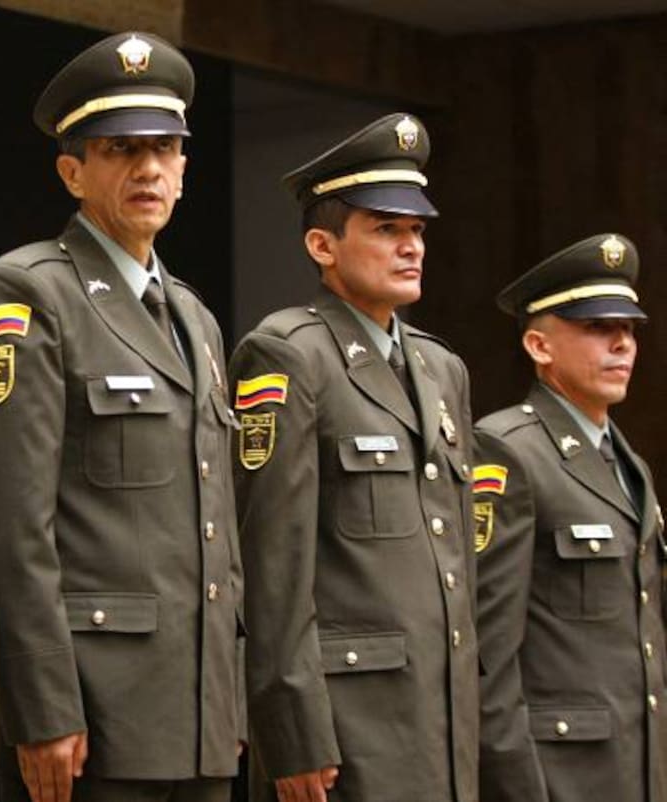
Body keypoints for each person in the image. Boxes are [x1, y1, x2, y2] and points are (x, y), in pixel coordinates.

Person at [0, 31, 244, 802]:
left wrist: (231, 696)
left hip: (200, 717)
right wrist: (41, 707)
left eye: (165, 148)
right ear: (73, 172)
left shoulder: (194, 317)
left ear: (184, 168)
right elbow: (12, 523)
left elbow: (217, 527)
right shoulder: (26, 292)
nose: (149, 168)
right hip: (93, 717)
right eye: (121, 149)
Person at [230, 114, 478, 801]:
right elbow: (273, 565)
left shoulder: (441, 368)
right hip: (346, 729)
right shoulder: (288, 354)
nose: (411, 246)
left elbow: (457, 566)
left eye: (417, 230)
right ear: (323, 245)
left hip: (440, 719)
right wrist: (292, 732)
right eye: (386, 229)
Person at [474, 234, 667, 802]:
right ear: (539, 344)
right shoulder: (508, 450)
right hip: (559, 777)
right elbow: (487, 657)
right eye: (598, 327)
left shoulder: (629, 465)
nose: (622, 344)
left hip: (635, 771)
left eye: (628, 329)